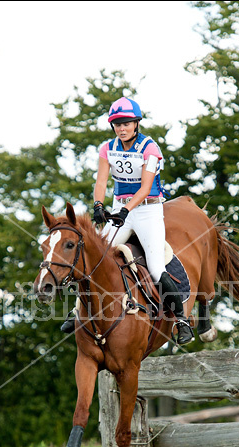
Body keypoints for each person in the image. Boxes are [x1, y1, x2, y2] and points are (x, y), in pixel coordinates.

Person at [61, 97, 194, 345]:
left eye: (127, 123)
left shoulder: (150, 148)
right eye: (117, 124)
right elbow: (101, 182)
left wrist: (126, 211)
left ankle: (181, 320)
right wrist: (98, 205)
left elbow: (145, 187)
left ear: (136, 124)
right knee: (95, 257)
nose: (122, 128)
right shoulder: (107, 148)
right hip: (120, 208)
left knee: (156, 268)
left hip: (147, 211)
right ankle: (77, 310)